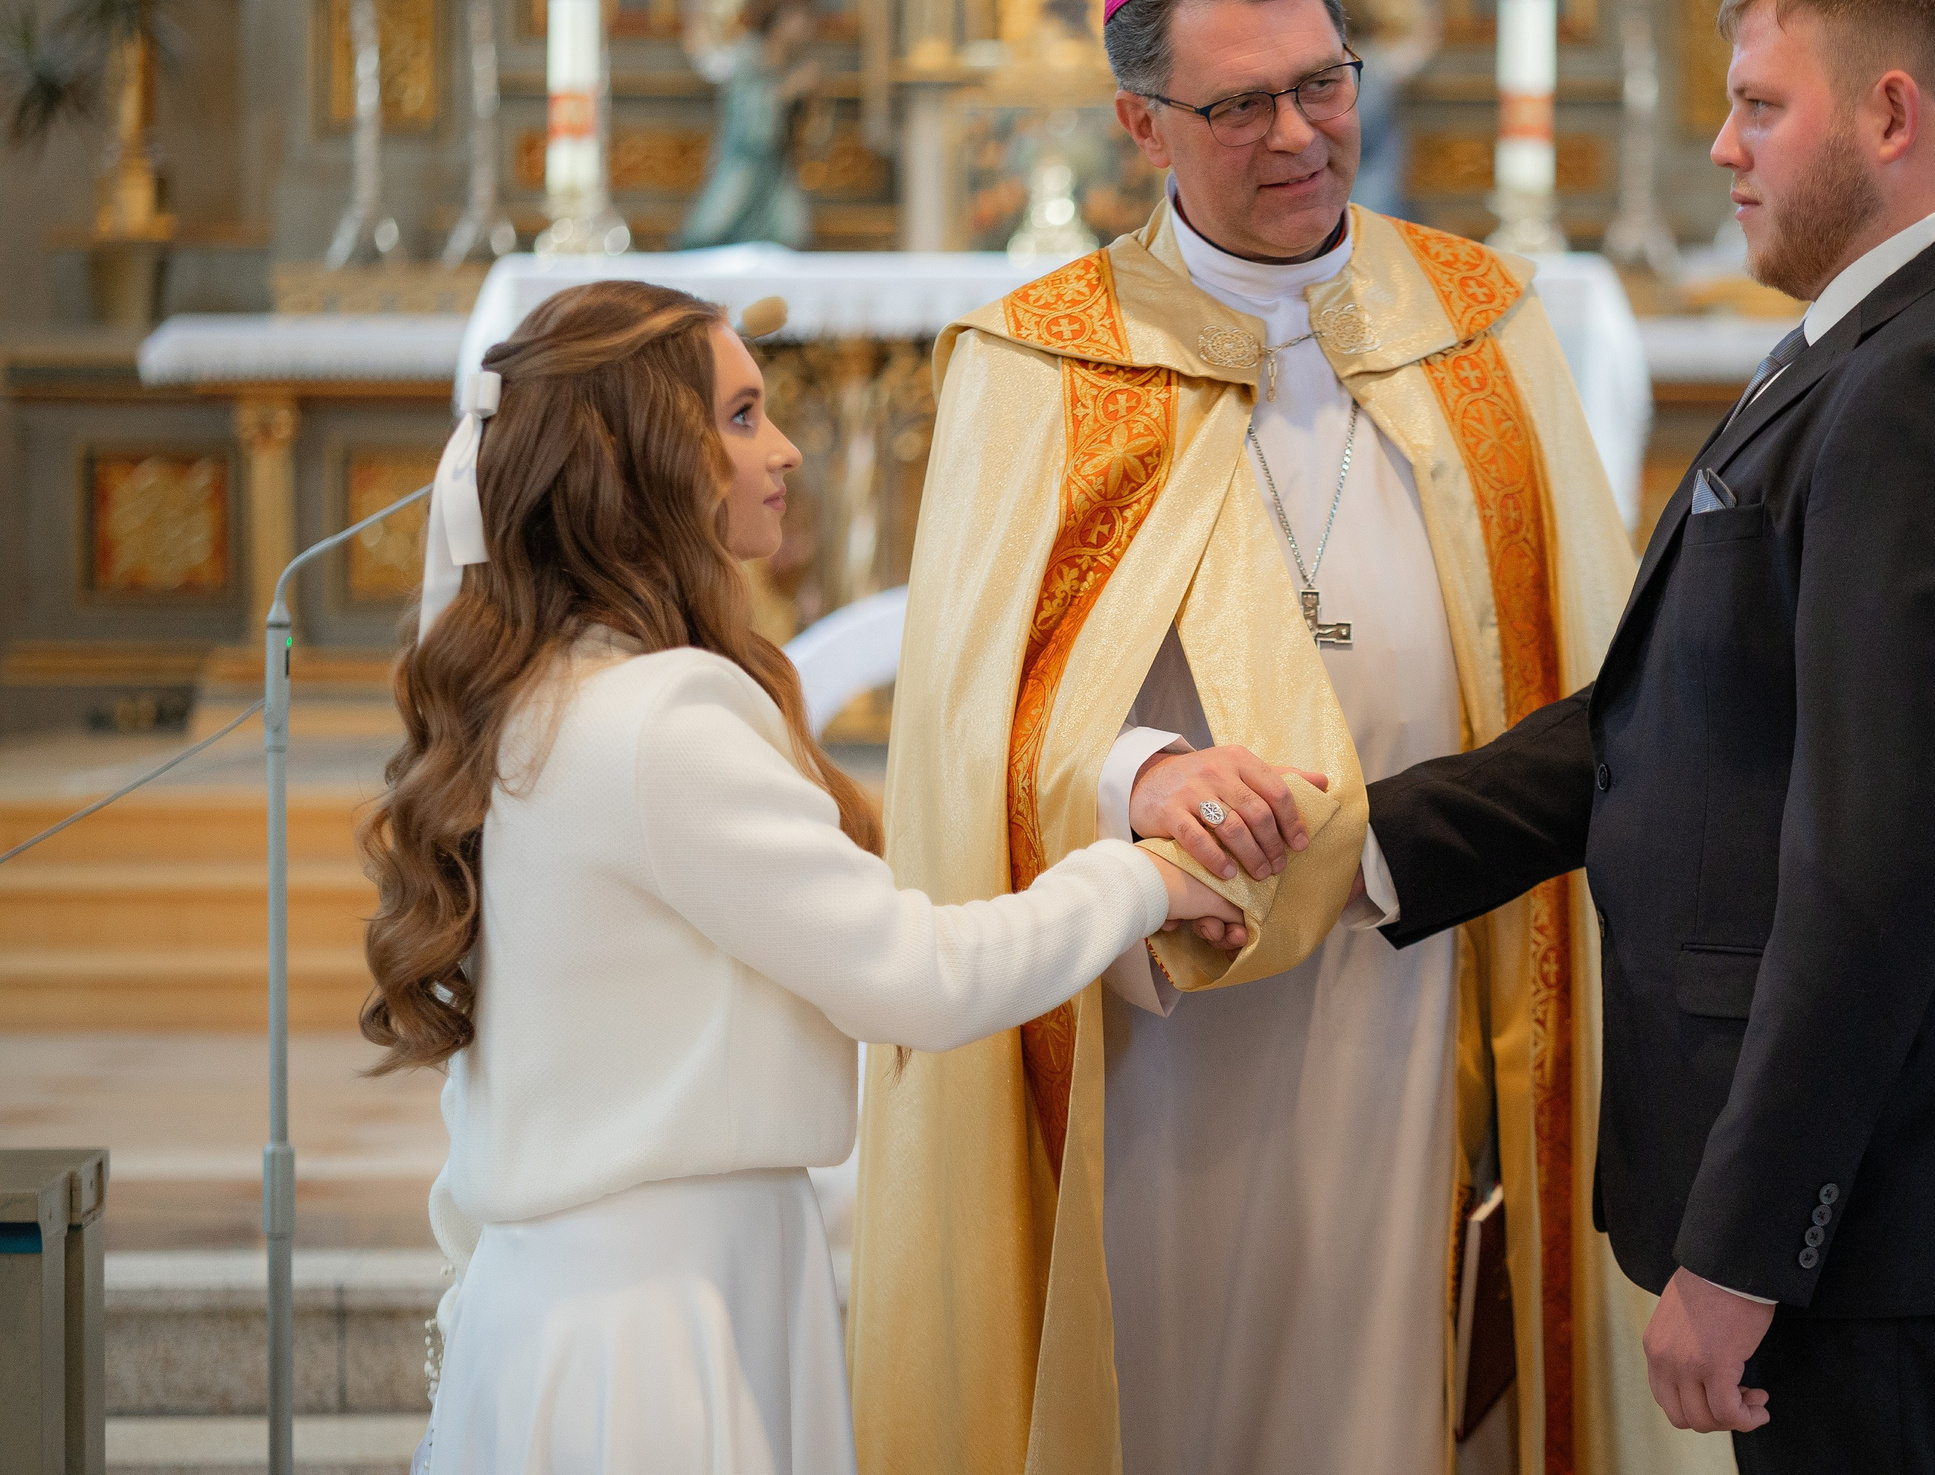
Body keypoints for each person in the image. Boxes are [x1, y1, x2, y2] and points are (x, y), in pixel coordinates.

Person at [1360, 0, 1935, 1475]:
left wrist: (1746, 1248)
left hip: (1888, 1210)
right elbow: (1671, 724)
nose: (1721, 146)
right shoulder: (1884, 338)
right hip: (1872, 1204)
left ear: (1888, 115)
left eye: (1759, 105)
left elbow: (1883, 859)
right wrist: (1364, 847)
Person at [848, 0, 1641, 1475]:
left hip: (1430, 974)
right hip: (1162, 1007)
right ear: (1143, 121)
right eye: (1239, 105)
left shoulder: (1479, 323)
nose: (1298, 136)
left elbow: (1599, 665)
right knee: (1169, 1391)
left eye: (1321, 83)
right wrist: (1135, 770)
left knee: (1392, 1382)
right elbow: (962, 723)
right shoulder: (1042, 360)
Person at [359, 280, 1263, 1474]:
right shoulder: (662, 718)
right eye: (739, 417)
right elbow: (912, 978)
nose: (781, 450)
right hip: (661, 1336)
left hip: (585, 1298)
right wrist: (1140, 882)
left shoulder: (535, 695)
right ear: (637, 459)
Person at [675, 0, 823, 249]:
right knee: (713, 230)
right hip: (742, 162)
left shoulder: (792, 60)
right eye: (802, 18)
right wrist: (787, 90)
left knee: (789, 233)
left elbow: (809, 126)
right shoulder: (748, 54)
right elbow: (746, 114)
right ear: (781, 19)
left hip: (775, 166)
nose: (807, 28)